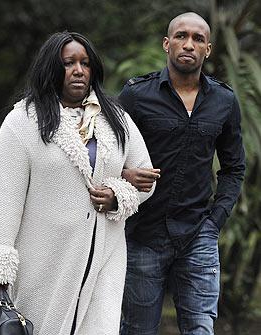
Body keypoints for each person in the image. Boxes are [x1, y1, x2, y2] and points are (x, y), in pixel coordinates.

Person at [0, 31, 157, 335]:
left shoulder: (116, 118)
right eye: (68, 63)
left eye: (85, 63)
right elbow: (4, 200)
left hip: (104, 258)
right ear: (51, 69)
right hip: (44, 260)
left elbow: (146, 177)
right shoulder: (22, 122)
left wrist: (117, 195)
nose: (78, 70)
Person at [119, 12, 245, 335]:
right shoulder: (136, 95)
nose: (188, 44)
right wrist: (126, 174)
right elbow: (107, 155)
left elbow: (234, 167)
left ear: (208, 49)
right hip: (143, 234)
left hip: (198, 233)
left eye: (198, 39)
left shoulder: (224, 101)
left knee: (201, 329)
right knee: (137, 330)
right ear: (167, 43)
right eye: (181, 36)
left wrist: (216, 219)